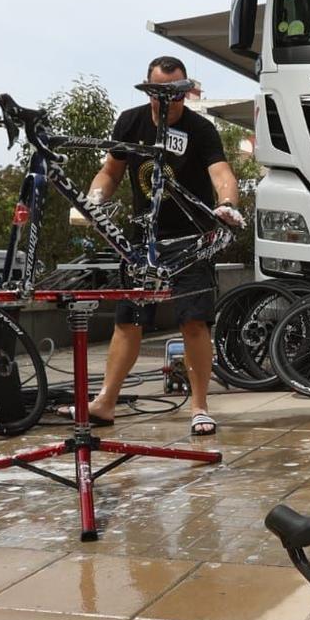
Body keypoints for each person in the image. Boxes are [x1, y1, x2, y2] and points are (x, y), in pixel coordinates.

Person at [75, 56, 245, 435]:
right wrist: (94, 199)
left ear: (186, 91)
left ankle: (199, 406)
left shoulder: (200, 129)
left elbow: (222, 174)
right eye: (159, 94)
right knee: (128, 322)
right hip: (141, 241)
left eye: (176, 95)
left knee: (194, 322)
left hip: (190, 240)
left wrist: (228, 206)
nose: (168, 104)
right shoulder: (130, 122)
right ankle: (105, 401)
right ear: (148, 89)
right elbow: (110, 171)